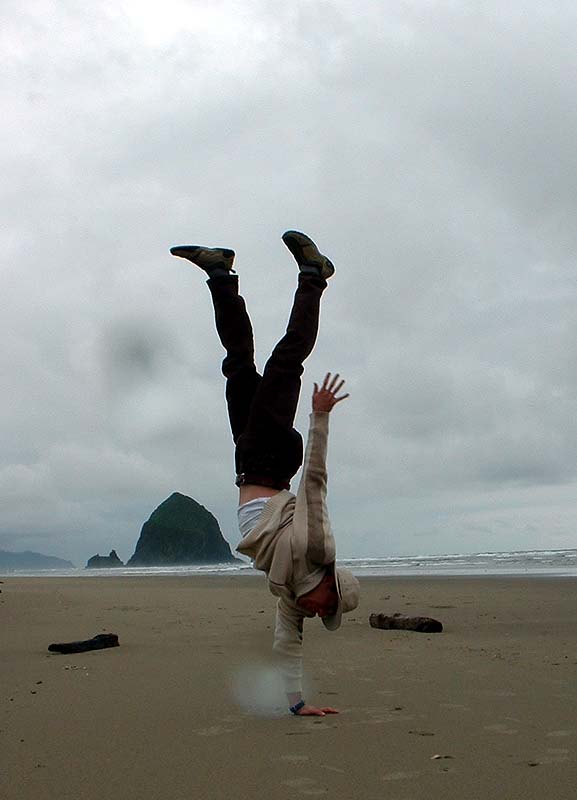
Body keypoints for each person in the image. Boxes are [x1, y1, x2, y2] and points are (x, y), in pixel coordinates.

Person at [170, 230, 360, 717]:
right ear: (331, 585)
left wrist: (298, 705)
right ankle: (315, 275)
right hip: (271, 460)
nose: (319, 613)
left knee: (238, 366)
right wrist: (320, 417)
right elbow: (314, 486)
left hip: (249, 462)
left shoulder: (291, 594)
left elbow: (287, 645)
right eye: (327, 607)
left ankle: (221, 272)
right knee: (285, 362)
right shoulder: (318, 551)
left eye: (323, 615)